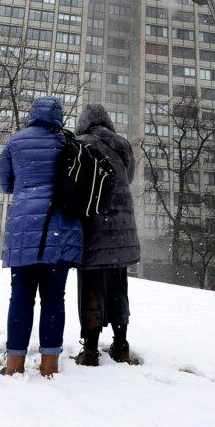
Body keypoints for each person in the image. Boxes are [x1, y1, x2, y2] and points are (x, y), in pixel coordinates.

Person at [0, 96, 83, 377]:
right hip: (61, 230)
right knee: (54, 298)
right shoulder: (67, 142)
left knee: (21, 297)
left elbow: (5, 184)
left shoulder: (15, 142)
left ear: (33, 114)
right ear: (58, 116)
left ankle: (14, 365)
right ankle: (49, 366)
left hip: (25, 229)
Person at [71, 104, 140, 367]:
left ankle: (90, 350)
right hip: (122, 228)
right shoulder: (122, 144)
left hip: (93, 226)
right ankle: (121, 345)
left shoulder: (80, 143)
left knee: (90, 286)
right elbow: (129, 178)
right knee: (118, 285)